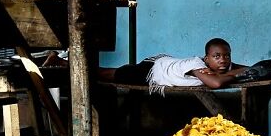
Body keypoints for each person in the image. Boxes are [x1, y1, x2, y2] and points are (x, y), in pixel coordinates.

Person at [99, 38, 247, 92]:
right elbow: (215, 83)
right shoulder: (196, 65)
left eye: (227, 56)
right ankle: (91, 72)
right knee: (117, 74)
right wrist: (237, 74)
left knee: (119, 72)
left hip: (168, 62)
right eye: (217, 56)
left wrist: (242, 71)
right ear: (206, 59)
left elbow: (249, 69)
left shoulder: (222, 66)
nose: (223, 60)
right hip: (153, 69)